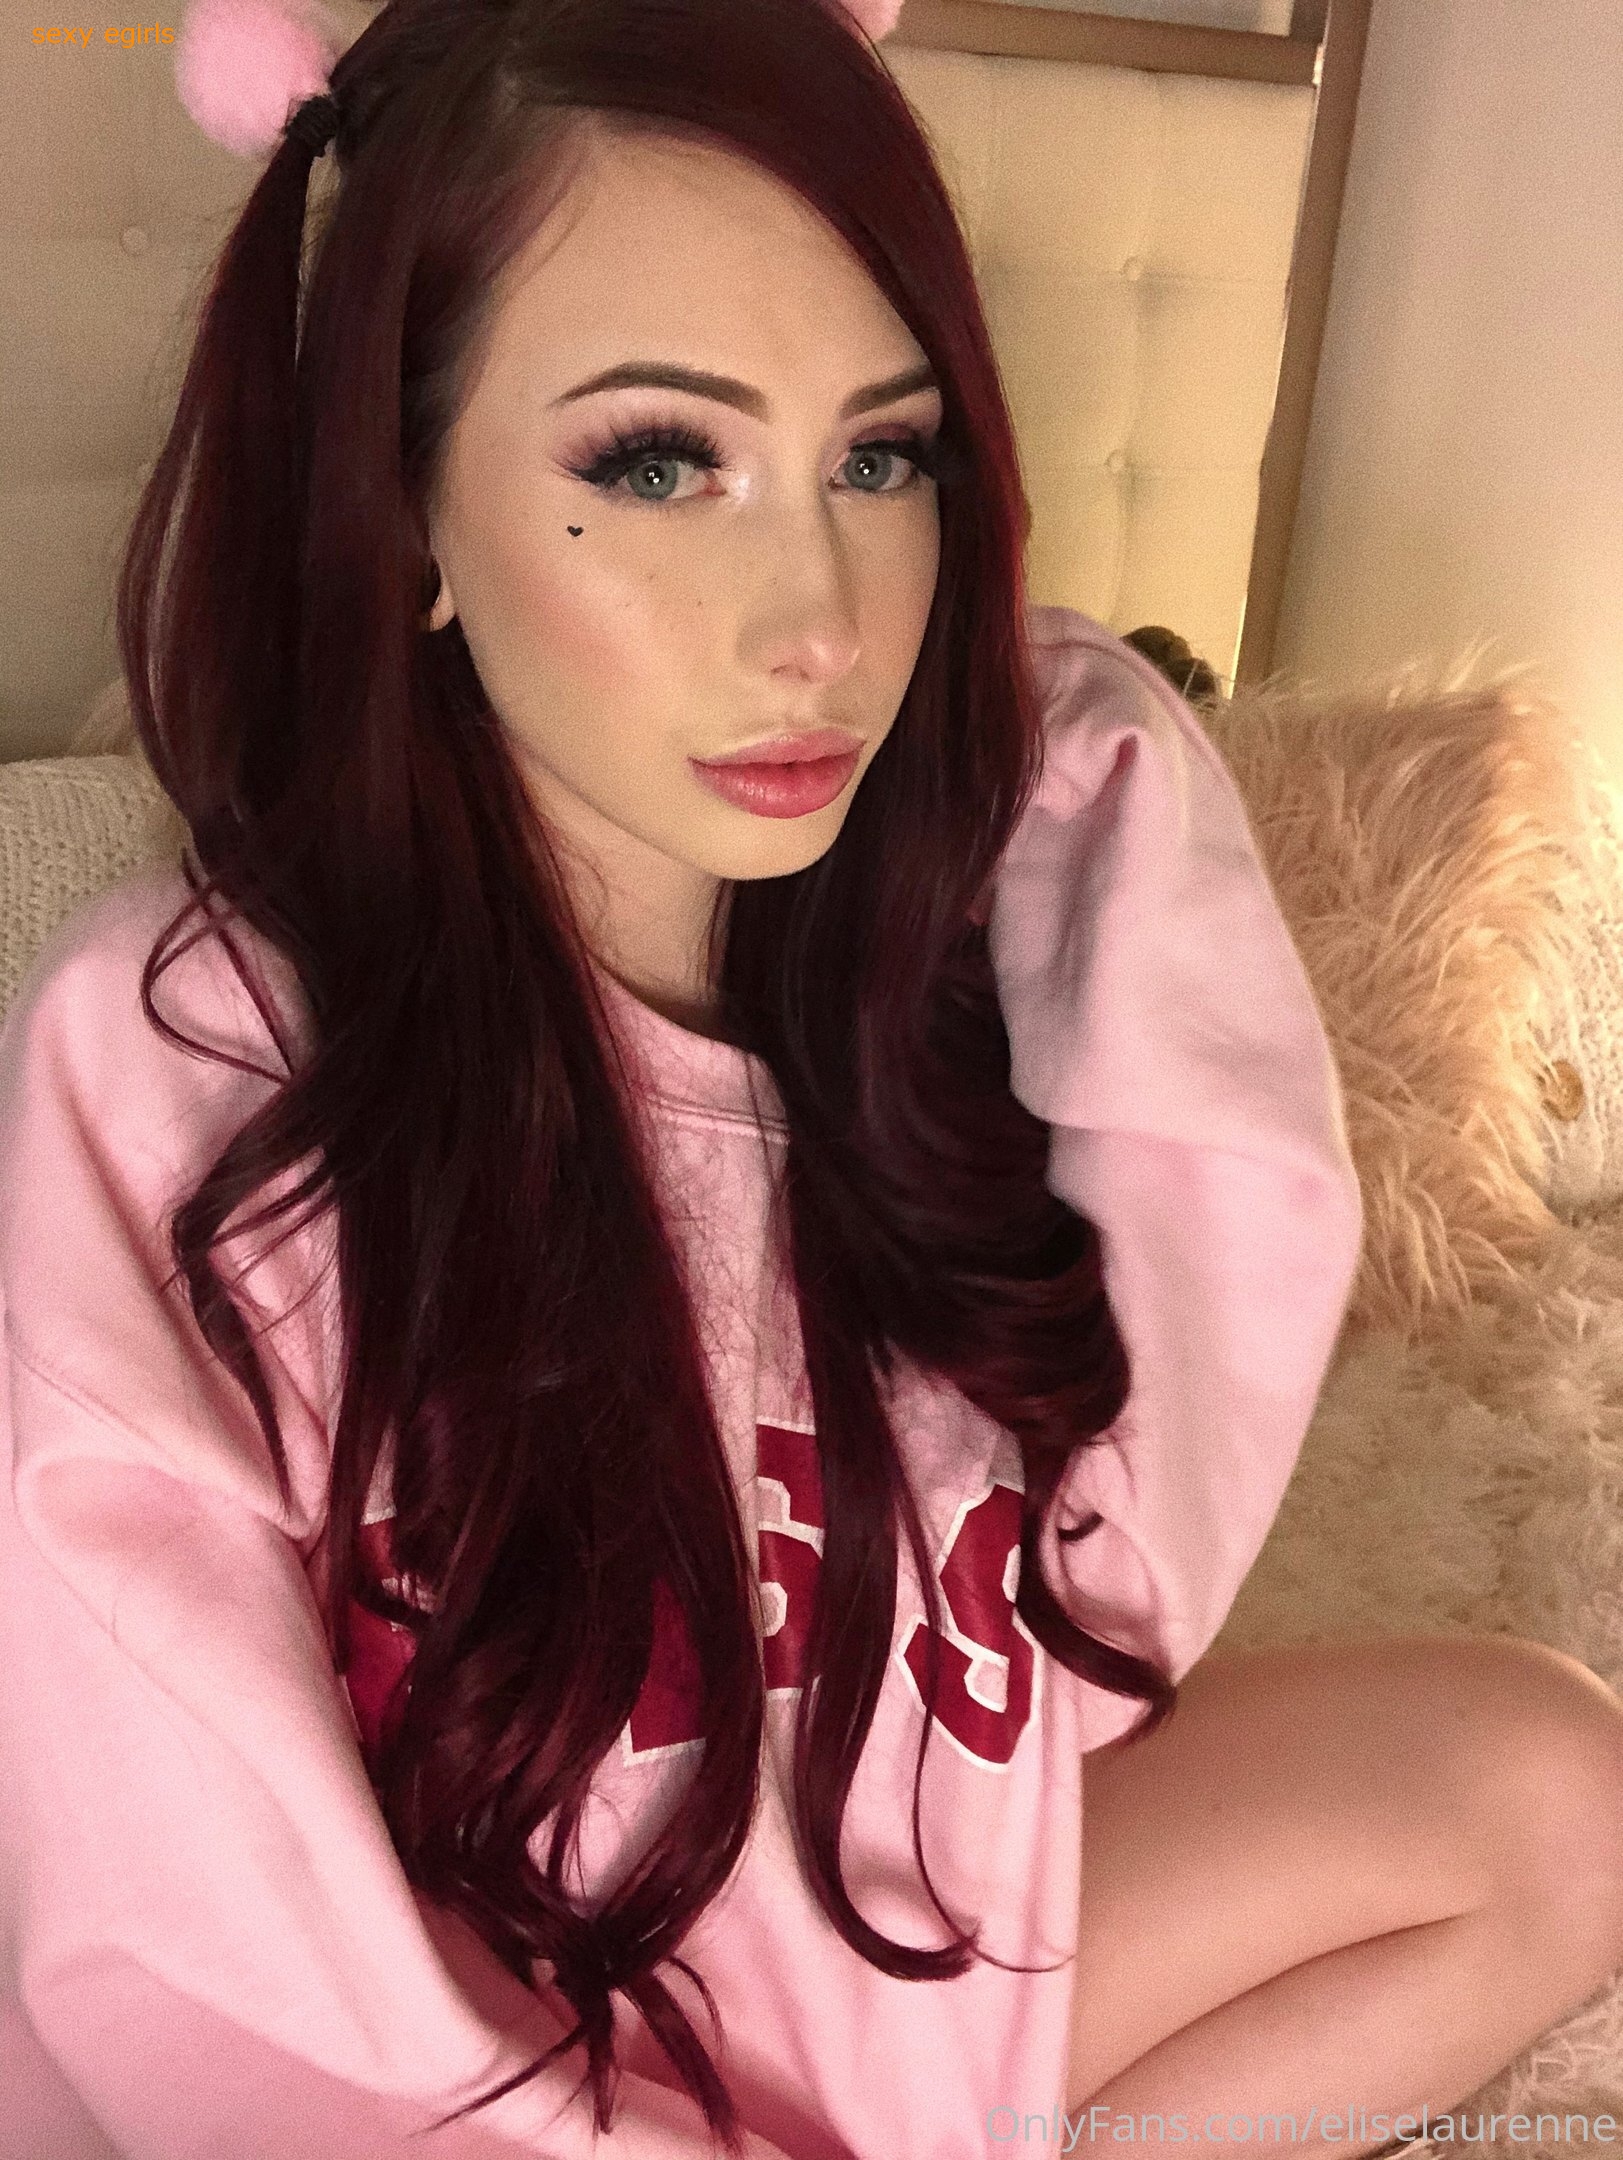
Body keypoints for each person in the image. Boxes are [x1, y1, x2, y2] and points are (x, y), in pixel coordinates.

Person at [4, 0, 1623, 2153]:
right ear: (401, 506)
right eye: (657, 462)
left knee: (1549, 1792)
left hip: (905, 1945)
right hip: (446, 2065)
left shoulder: (932, 976)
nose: (820, 625)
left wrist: (1059, 745)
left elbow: (1103, 1602)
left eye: (881, 457)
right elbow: (188, 1913)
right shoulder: (191, 1057)